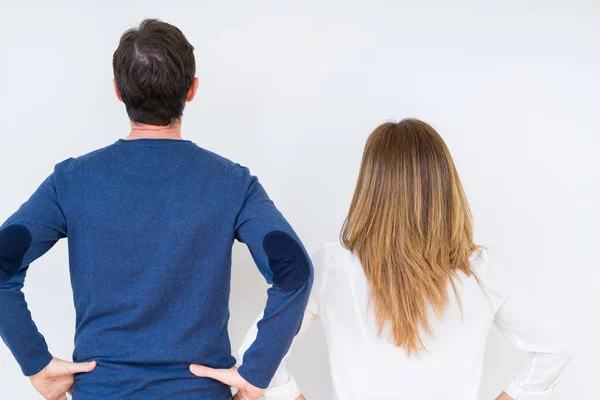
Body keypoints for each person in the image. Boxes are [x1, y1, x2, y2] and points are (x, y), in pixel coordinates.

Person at [0, 19, 313, 400]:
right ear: (192, 89)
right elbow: (294, 273)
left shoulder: (71, 182)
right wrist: (256, 374)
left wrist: (36, 364)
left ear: (118, 92)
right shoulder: (233, 184)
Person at [195, 119, 572, 400]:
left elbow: (257, 356)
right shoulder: (478, 270)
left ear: (370, 187)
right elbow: (556, 347)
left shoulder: (331, 265)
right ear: (444, 187)